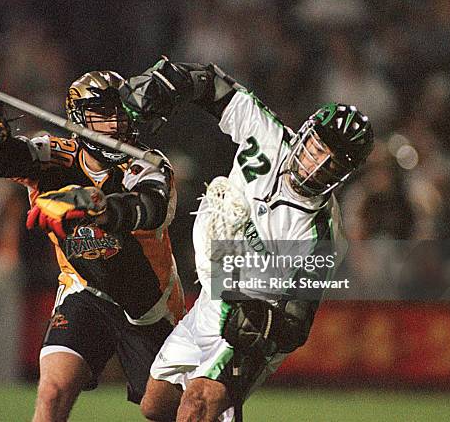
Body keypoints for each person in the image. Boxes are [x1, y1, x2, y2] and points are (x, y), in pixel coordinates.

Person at [119, 59, 374, 422]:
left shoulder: (322, 233)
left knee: (196, 405)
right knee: (156, 405)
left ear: (343, 175)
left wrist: (259, 322)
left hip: (253, 317)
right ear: (305, 132)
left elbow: (296, 323)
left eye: (331, 163)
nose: (317, 163)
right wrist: (168, 83)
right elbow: (211, 85)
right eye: (318, 147)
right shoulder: (267, 134)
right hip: (214, 295)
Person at [0, 65, 185, 422]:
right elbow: (4, 158)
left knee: (164, 411)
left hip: (149, 305)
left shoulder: (149, 164)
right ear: (79, 117)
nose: (116, 124)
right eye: (103, 113)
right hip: (84, 292)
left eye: (121, 111)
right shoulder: (54, 153)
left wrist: (94, 207)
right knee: (51, 394)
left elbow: (148, 209)